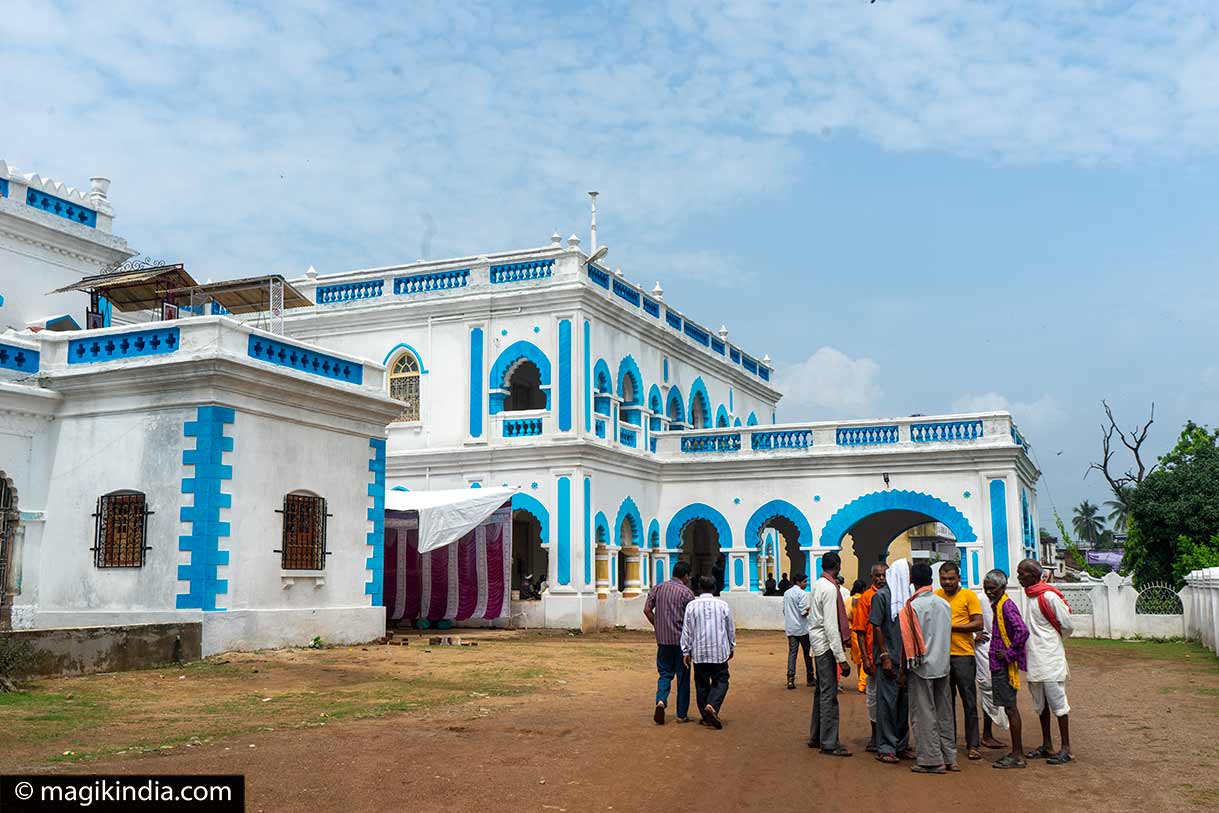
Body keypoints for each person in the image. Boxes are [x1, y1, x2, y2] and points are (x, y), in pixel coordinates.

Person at [1017, 558, 1074, 764]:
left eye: (1022, 573)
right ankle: (1047, 745)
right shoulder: (1031, 597)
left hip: (1049, 658)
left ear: (1033, 575)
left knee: (1058, 703)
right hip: (1034, 659)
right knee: (1040, 704)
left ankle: (1066, 748)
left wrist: (1053, 642)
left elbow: (1067, 624)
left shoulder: (1048, 596)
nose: (1018, 577)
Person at [903, 562, 956, 774]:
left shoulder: (911, 607)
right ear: (932, 580)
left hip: (921, 666)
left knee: (924, 713)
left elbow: (909, 643)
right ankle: (950, 756)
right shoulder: (944, 604)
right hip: (943, 664)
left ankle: (931, 759)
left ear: (912, 581)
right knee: (944, 712)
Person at [935, 560, 984, 760]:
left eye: (951, 579)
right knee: (946, 702)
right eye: (944, 579)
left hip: (964, 656)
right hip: (941, 656)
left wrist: (951, 627)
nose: (947, 582)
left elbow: (978, 623)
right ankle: (949, 742)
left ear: (958, 578)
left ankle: (973, 744)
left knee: (969, 701)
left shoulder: (969, 596)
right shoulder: (936, 596)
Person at [984, 568, 1029, 769]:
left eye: (992, 588)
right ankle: (1016, 752)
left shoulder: (1006, 607)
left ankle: (1018, 755)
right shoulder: (998, 605)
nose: (989, 592)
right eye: (986, 589)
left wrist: (1009, 653)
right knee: (1008, 707)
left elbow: (1022, 631)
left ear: (1002, 587)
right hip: (998, 663)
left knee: (1011, 708)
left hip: (1004, 665)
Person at [807, 552, 851, 756]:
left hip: (816, 641)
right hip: (825, 644)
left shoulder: (816, 585)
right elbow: (831, 626)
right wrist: (842, 659)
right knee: (829, 694)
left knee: (821, 691)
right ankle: (829, 742)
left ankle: (816, 735)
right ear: (838, 566)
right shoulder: (830, 589)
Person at [680, 576, 736, 729]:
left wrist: (686, 651)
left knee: (701, 684)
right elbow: (730, 628)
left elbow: (687, 630)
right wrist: (731, 646)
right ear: (714, 588)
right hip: (719, 651)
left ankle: (706, 716)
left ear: (699, 588)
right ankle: (712, 705)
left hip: (699, 652)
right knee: (722, 680)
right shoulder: (723, 605)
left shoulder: (692, 606)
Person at [870, 561, 911, 764]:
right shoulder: (882, 597)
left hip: (904, 659)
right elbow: (876, 626)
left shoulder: (905, 597)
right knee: (887, 704)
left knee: (903, 704)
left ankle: (901, 744)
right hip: (889, 658)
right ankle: (885, 746)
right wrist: (884, 655)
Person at [644, 561, 695, 725]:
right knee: (683, 678)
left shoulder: (657, 588)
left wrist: (657, 625)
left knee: (665, 674)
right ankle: (681, 714)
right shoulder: (686, 593)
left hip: (663, 641)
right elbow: (692, 618)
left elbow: (646, 610)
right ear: (685, 575)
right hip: (681, 642)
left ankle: (661, 700)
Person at [853, 564, 887, 751]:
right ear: (871, 576)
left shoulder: (894, 595)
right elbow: (859, 630)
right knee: (873, 697)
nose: (881, 578)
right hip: (873, 658)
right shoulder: (866, 598)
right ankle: (875, 735)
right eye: (877, 575)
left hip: (891, 656)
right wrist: (865, 658)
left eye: (884, 575)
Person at [975, 595, 1009, 749]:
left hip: (998, 649)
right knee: (988, 688)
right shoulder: (981, 599)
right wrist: (974, 636)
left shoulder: (1004, 602)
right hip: (982, 648)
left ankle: (986, 734)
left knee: (995, 688)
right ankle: (984, 735)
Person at [783, 574, 814, 689]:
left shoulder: (787, 593)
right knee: (807, 654)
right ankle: (810, 678)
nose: (806, 584)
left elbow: (784, 610)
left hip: (791, 628)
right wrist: (810, 610)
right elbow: (803, 612)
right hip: (802, 628)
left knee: (792, 654)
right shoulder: (802, 594)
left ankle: (790, 679)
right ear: (799, 582)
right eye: (805, 582)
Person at [849, 579, 868, 694]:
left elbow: (847, 616)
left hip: (854, 632)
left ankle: (861, 682)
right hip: (864, 632)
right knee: (865, 657)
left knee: (859, 660)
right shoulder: (865, 599)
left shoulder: (850, 600)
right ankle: (862, 685)